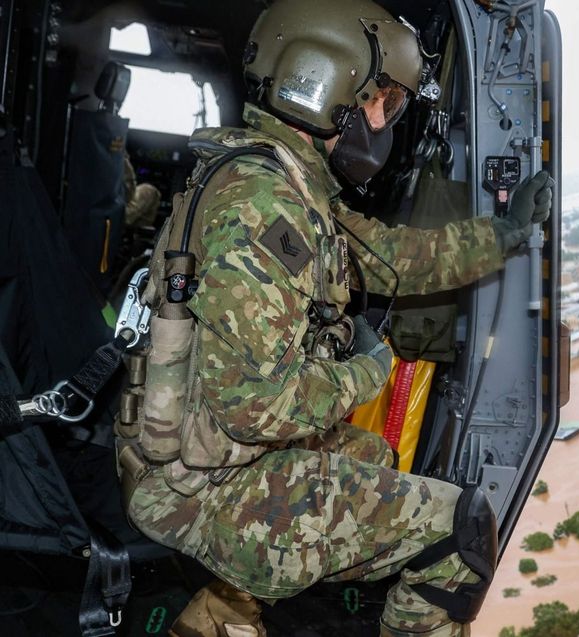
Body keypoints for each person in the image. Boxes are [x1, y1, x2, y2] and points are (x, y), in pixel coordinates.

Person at [116, 1, 552, 636]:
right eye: (385, 104)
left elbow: (393, 259)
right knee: (457, 534)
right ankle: (233, 587)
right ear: (329, 86)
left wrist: (506, 235)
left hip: (197, 455)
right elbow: (256, 409)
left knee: (368, 455)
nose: (387, 124)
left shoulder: (284, 181)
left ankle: (215, 619)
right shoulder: (266, 207)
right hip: (191, 487)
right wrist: (365, 373)